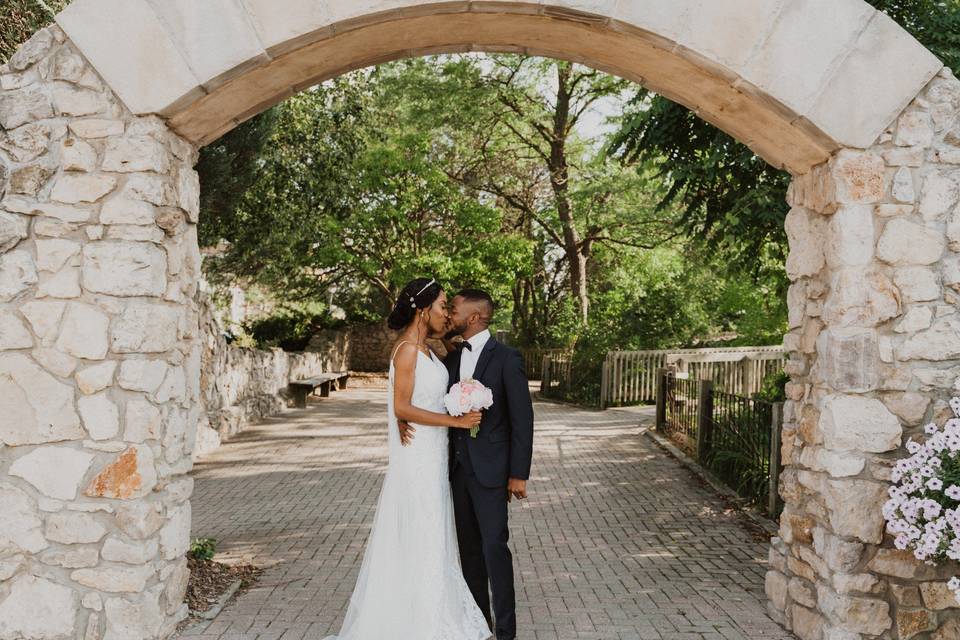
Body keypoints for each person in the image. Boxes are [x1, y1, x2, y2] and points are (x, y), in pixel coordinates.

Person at [324, 277, 491, 640]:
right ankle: (414, 621)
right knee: (420, 528)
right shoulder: (407, 351)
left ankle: (431, 608)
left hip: (433, 456)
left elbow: (421, 396)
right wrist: (454, 420)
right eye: (442, 305)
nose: (447, 312)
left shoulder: (429, 350)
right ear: (422, 309)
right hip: (417, 457)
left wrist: (448, 332)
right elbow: (402, 404)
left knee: (433, 531)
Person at [400, 289, 535, 640]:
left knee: (494, 550)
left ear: (473, 317)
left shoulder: (507, 358)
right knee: (470, 554)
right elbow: (425, 396)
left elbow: (523, 420)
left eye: (454, 309)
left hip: (492, 473)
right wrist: (401, 416)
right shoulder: (451, 358)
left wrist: (518, 474)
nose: (449, 315)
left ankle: (507, 632)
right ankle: (480, 626)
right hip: (456, 471)